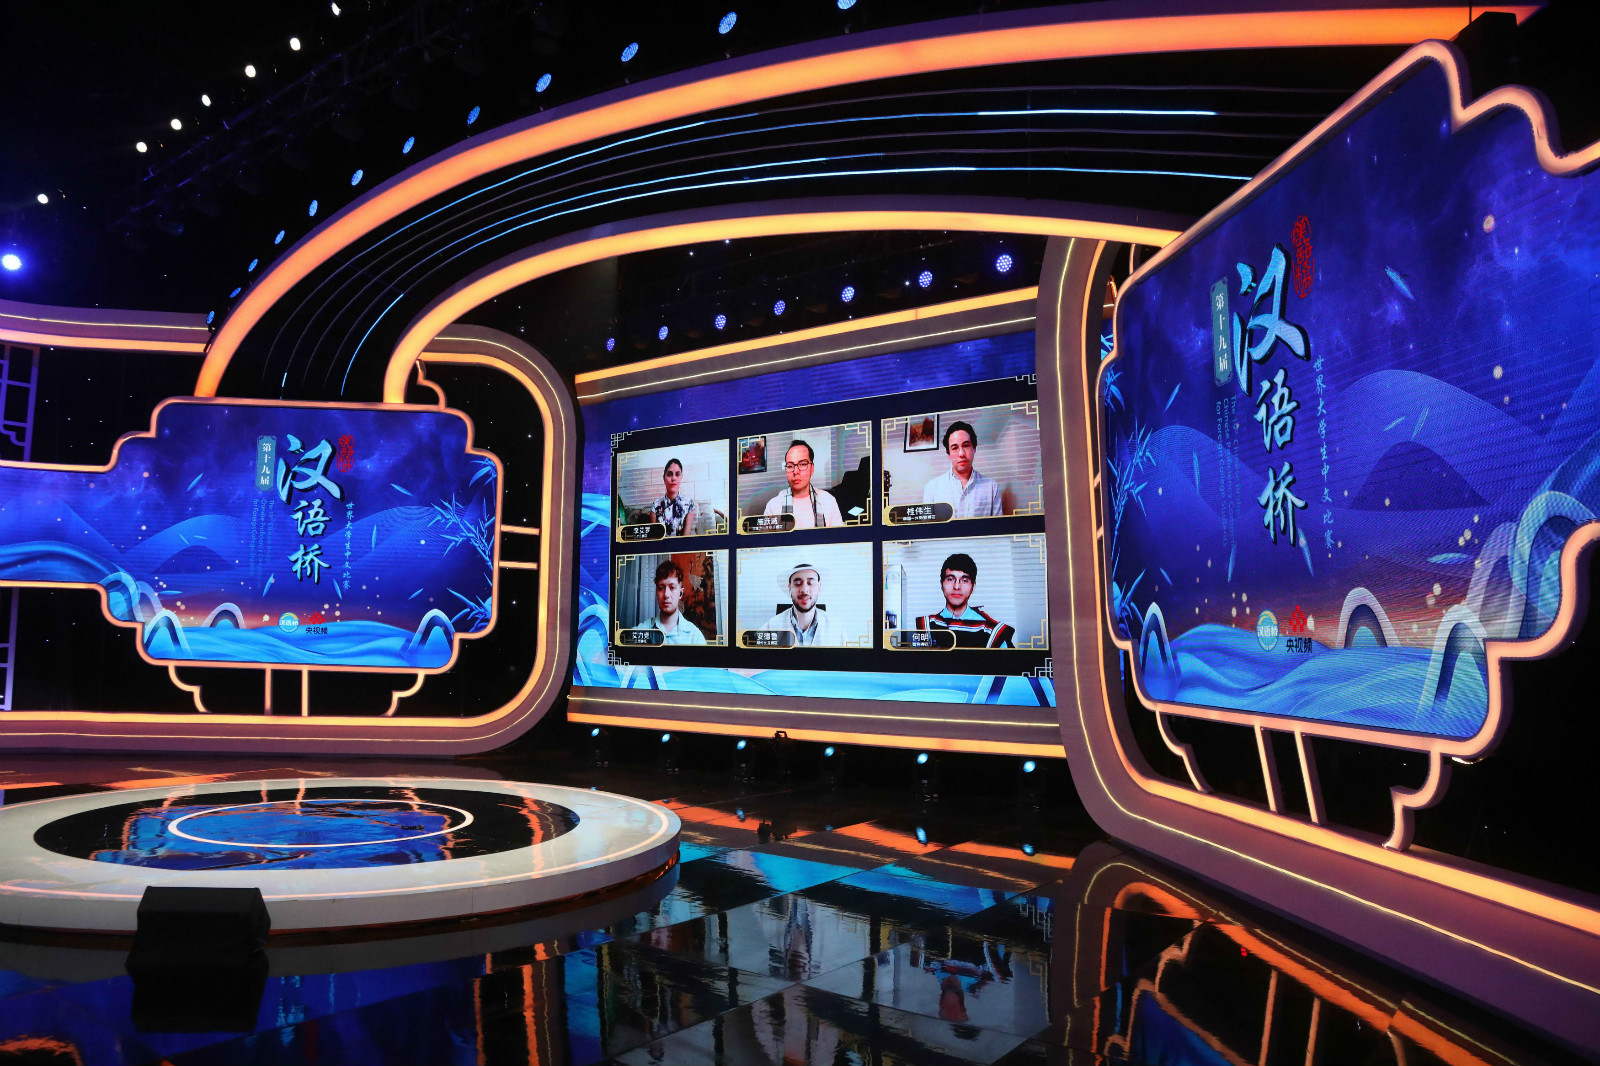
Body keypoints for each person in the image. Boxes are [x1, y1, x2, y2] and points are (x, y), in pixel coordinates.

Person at [917, 552, 1015, 648]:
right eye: (950, 579)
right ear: (941, 584)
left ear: (973, 586)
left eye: (964, 580)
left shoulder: (990, 630)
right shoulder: (927, 626)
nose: (956, 586)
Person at [922, 420, 1004, 518]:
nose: (961, 454)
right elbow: (927, 526)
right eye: (954, 448)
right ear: (948, 454)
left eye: (966, 446)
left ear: (974, 448)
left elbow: (997, 525)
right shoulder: (932, 488)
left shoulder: (991, 487)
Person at [763, 440, 845, 528]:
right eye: (790, 466)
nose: (795, 471)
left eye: (802, 464)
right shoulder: (773, 506)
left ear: (812, 468)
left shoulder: (828, 501)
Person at [761, 562, 843, 646]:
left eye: (811, 583)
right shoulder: (771, 626)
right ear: (789, 588)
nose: (804, 590)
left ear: (819, 587)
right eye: (798, 583)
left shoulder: (836, 628)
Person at [637, 558, 707, 644]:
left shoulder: (695, 637)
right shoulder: (643, 631)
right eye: (661, 588)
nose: (666, 594)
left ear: (680, 593)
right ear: (656, 592)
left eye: (672, 587)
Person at [649, 457, 697, 536]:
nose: (674, 478)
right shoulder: (655, 506)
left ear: (681, 477)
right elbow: (655, 537)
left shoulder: (689, 504)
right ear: (664, 478)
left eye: (677, 474)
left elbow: (686, 536)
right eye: (669, 474)